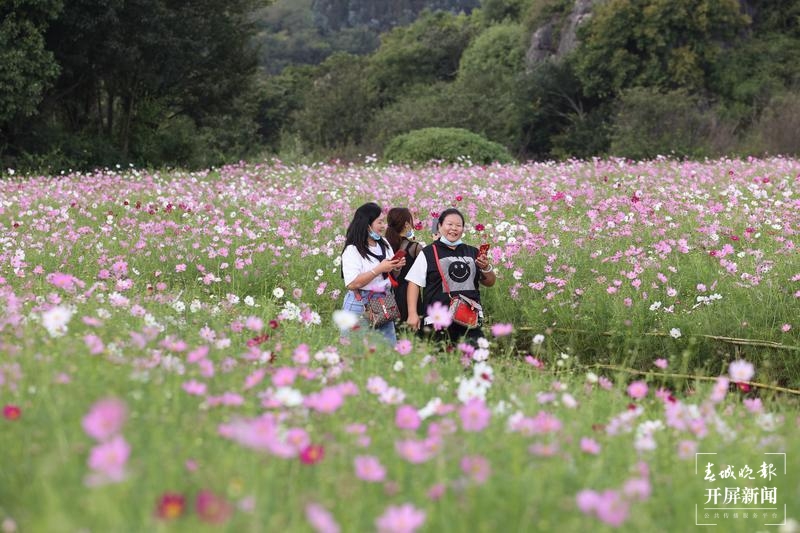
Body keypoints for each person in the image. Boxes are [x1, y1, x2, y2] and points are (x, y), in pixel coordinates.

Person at [405, 208, 496, 345]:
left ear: (463, 229)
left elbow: (489, 282)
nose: (454, 228)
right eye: (449, 224)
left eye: (458, 225)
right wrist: (412, 313)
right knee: (441, 361)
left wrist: (486, 268)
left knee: (474, 359)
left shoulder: (472, 252)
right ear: (440, 226)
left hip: (469, 318)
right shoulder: (429, 252)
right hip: (437, 319)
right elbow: (414, 282)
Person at [341, 202, 406, 344]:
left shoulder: (384, 243)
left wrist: (395, 267)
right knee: (354, 350)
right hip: (359, 304)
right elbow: (352, 283)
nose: (384, 226)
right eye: (380, 222)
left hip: (383, 300)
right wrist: (379, 269)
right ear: (367, 224)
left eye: (384, 222)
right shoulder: (352, 250)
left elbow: (389, 276)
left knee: (387, 350)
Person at [384, 207, 423, 323]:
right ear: (407, 224)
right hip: (410, 296)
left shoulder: (383, 245)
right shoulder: (414, 247)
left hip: (387, 296)